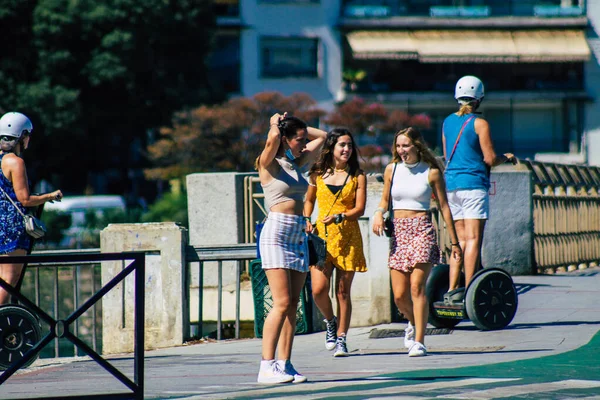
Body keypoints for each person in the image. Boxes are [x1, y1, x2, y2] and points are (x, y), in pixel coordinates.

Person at [372, 127, 462, 357]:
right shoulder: (392, 169)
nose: (401, 150)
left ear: (417, 146)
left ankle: (420, 341)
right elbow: (384, 200)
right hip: (399, 233)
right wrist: (378, 213)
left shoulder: (431, 172)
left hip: (422, 229)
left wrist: (454, 243)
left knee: (416, 287)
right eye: (398, 146)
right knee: (400, 296)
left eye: (406, 146)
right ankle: (414, 322)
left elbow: (444, 207)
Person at [255, 112, 327, 384]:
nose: (303, 143)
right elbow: (273, 137)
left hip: (297, 233)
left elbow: (323, 137)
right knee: (282, 302)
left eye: (303, 139)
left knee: (293, 304)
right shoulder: (268, 163)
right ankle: (266, 366)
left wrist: (299, 127)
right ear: (285, 139)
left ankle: (284, 364)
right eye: (298, 140)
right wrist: (275, 123)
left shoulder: (295, 164)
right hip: (276, 233)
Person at [442, 76, 515, 303]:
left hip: (451, 186)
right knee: (473, 239)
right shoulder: (479, 124)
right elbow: (490, 158)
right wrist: (507, 157)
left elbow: (446, 156)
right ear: (479, 99)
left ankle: (452, 289)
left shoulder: (446, 122)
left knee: (460, 241)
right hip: (473, 186)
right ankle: (470, 291)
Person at [303, 128, 367, 357]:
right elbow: (309, 201)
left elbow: (359, 209)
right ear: (331, 147)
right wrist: (306, 219)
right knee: (318, 289)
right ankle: (330, 321)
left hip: (348, 236)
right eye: (342, 145)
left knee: (343, 293)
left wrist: (341, 216)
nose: (347, 149)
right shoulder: (318, 173)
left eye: (350, 145)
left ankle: (341, 338)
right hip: (322, 237)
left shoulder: (358, 175)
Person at [0, 111, 62, 304]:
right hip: (12, 228)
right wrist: (50, 196)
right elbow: (25, 200)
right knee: (9, 279)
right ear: (21, 136)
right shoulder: (15, 162)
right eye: (27, 136)